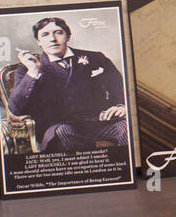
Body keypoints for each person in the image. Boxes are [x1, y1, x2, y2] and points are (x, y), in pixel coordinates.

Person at [7, 16, 129, 153]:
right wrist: (33, 71)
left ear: (68, 36)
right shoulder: (28, 69)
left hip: (99, 121)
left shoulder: (95, 58)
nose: (52, 39)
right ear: (38, 42)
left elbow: (119, 86)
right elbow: (16, 109)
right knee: (63, 132)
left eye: (58, 32)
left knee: (127, 127)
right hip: (60, 126)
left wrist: (121, 106)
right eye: (45, 35)